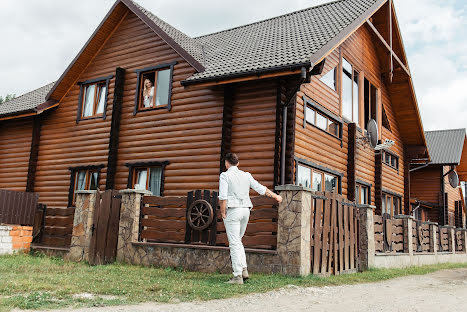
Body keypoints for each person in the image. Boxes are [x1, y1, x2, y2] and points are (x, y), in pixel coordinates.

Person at [218, 153, 282, 285]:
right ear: (238, 163)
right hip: (246, 211)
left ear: (226, 163)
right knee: (238, 241)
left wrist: (223, 212)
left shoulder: (225, 175)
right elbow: (260, 188)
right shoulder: (246, 175)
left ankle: (237, 276)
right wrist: (275, 196)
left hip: (233, 210)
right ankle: (244, 270)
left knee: (234, 243)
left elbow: (223, 197)